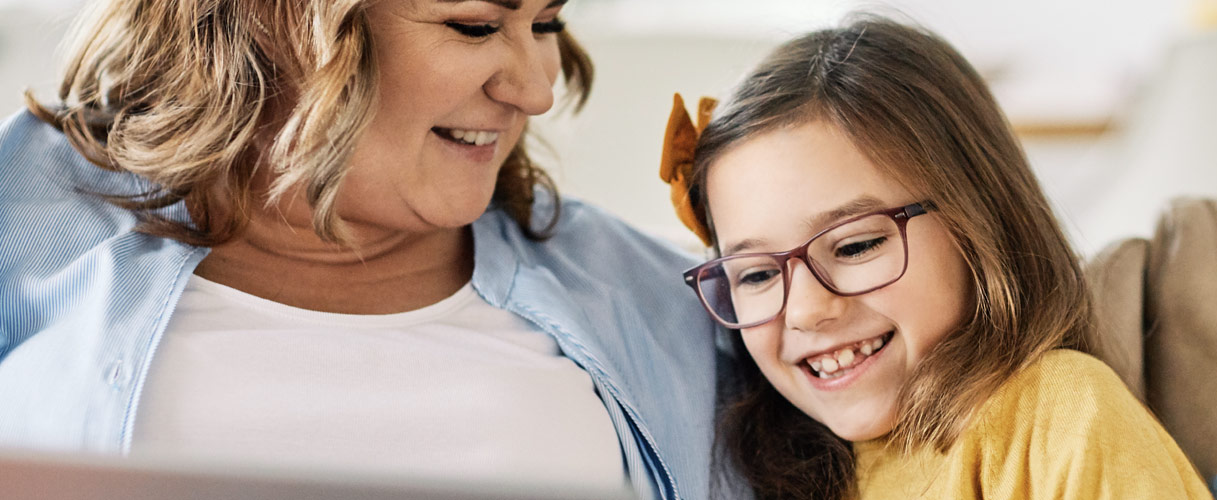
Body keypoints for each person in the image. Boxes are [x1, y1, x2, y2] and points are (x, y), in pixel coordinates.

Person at [0, 0, 729, 497]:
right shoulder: (26, 214)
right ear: (280, 23)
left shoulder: (674, 295)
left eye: (545, 23)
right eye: (475, 24)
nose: (536, 89)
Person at [658, 15, 1213, 499]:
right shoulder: (771, 467)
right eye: (754, 274)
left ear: (978, 222)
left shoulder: (1060, 415)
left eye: (856, 245)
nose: (805, 310)